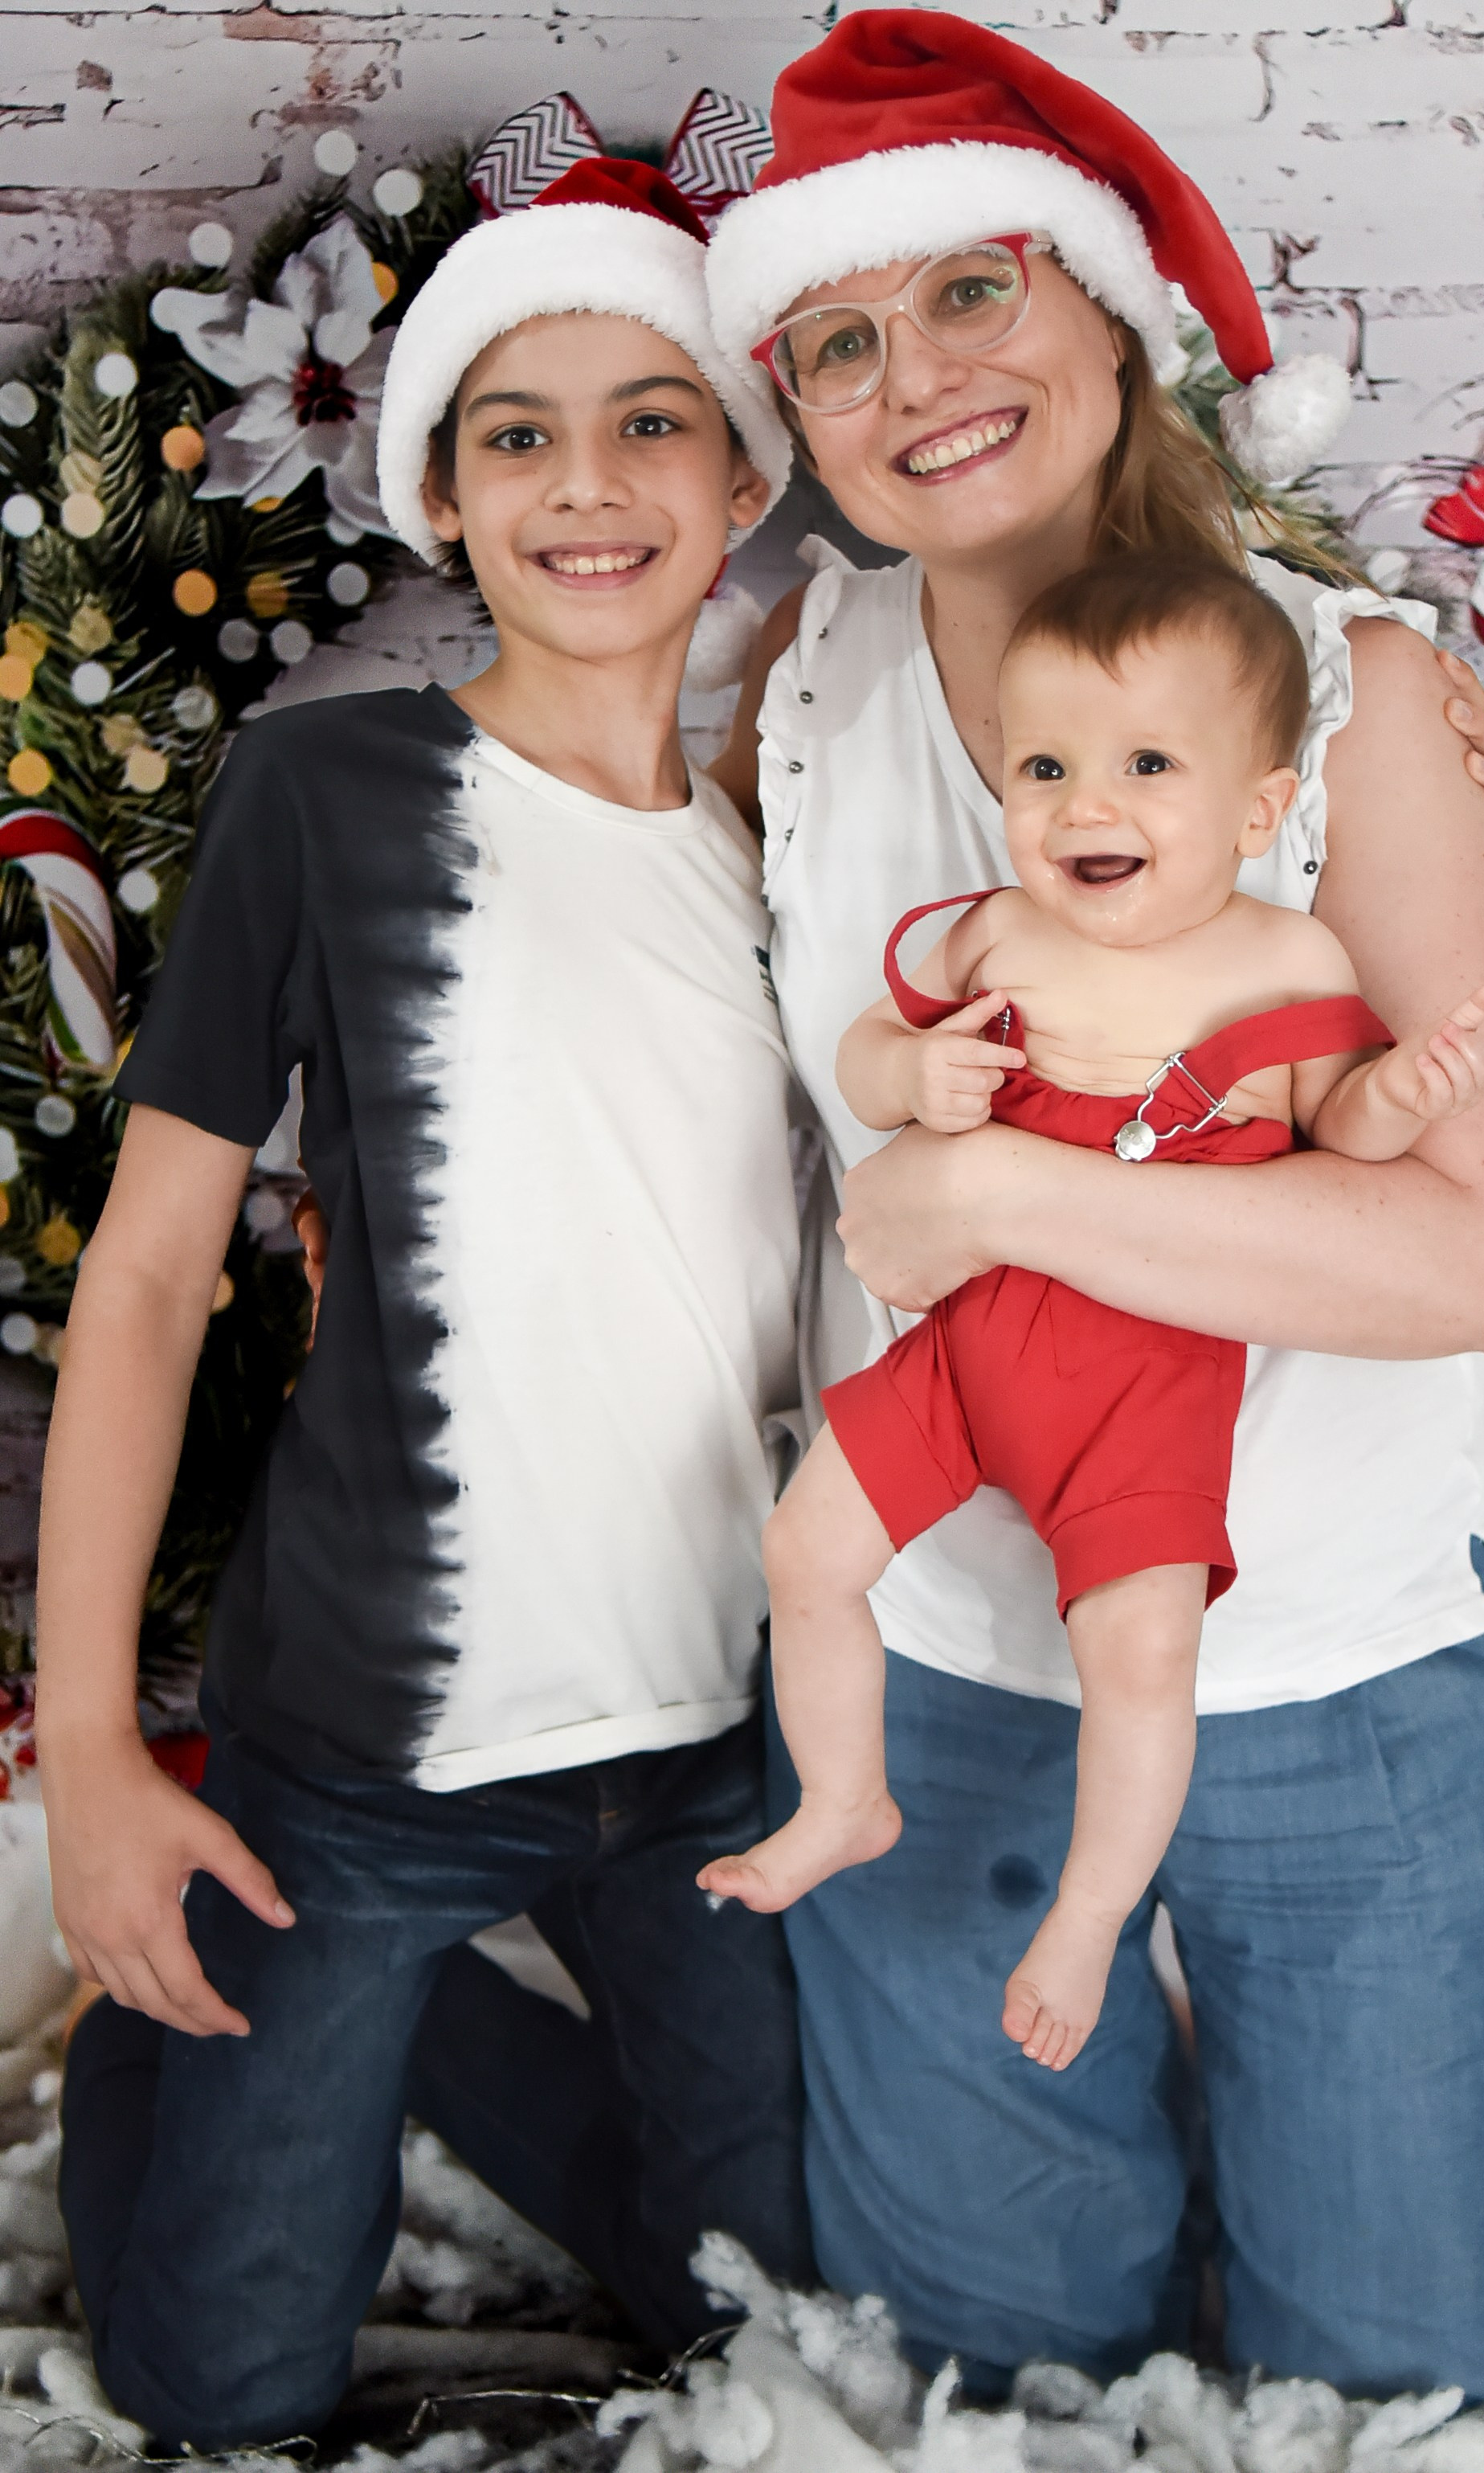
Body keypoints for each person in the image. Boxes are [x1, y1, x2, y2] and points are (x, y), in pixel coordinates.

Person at [700, 8, 1484, 2418]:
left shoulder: (1348, 695)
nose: (910, 377)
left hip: (1330, 1668)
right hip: (947, 1676)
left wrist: (1000, 1181)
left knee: (1433, 2371)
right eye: (834, 341)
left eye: (971, 293)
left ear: (1105, 311)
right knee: (994, 2372)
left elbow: (1461, 1253)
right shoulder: (794, 699)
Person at [35, 158, 813, 2450]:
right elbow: (161, 1266)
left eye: (651, 418)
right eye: (516, 432)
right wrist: (90, 1745)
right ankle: (181, 2048)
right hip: (370, 1745)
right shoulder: (332, 786)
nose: (588, 482)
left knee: (763, 2312)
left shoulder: (812, 823)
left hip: (719, 1740)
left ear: (750, 472)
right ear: (443, 501)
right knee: (227, 2380)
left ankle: (436, 2033)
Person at [703, 552, 1484, 2079]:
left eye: (1148, 766)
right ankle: (842, 1796)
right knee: (807, 1550)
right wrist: (910, 1081)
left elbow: (1346, 1143)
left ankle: (1088, 1910)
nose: (1088, 805)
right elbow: (874, 1049)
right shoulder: (997, 932)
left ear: (1259, 814)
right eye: (1048, 765)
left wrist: (1402, 1090)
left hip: (1141, 1398)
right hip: (969, 1349)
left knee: (1140, 1664)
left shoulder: (1292, 960)